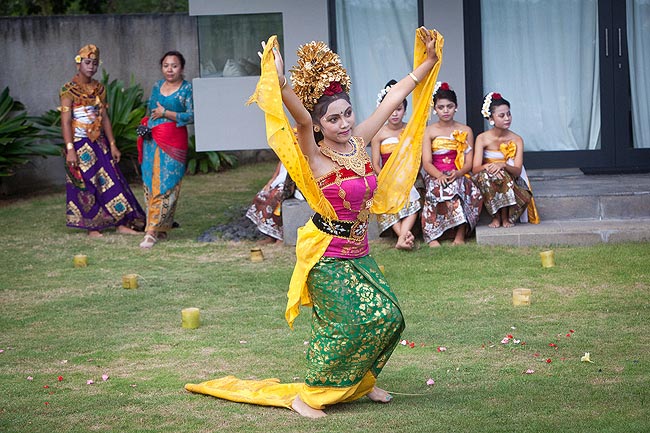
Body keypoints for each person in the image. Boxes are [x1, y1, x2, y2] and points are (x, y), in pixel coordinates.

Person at [185, 28, 444, 418]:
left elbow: (394, 97)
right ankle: (307, 397)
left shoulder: (358, 140)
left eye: (347, 114)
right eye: (333, 118)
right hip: (327, 257)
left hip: (359, 251)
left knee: (391, 319)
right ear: (321, 125)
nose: (343, 123)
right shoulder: (315, 155)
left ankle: (362, 382)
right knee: (349, 325)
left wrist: (426, 62)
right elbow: (302, 122)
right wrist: (282, 80)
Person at [60, 44, 145, 237]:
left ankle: (121, 223)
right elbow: (65, 122)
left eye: (95, 63)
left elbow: (104, 117)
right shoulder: (68, 90)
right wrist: (70, 149)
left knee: (112, 181)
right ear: (78, 64)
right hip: (80, 144)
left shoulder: (99, 88)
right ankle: (93, 227)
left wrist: (113, 144)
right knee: (87, 184)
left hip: (99, 142)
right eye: (87, 62)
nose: (91, 66)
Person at [139, 51, 194, 248]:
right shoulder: (156, 86)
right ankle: (157, 228)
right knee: (151, 183)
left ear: (182, 68)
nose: (169, 69)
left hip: (174, 141)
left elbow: (191, 115)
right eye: (166, 66)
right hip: (152, 141)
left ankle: (152, 231)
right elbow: (150, 111)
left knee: (168, 185)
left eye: (174, 65)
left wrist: (167, 113)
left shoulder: (187, 89)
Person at [420, 82, 482, 246]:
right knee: (436, 188)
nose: (445, 110)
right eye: (441, 107)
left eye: (449, 106)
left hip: (459, 173)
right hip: (436, 173)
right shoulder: (429, 131)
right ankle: (433, 236)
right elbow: (426, 162)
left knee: (459, 187)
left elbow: (469, 162)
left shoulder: (466, 130)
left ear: (456, 107)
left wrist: (459, 173)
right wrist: (439, 175)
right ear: (435, 109)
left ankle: (460, 235)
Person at [472, 92, 539, 227]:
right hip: (487, 177)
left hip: (509, 177)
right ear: (491, 118)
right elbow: (475, 168)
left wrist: (503, 165)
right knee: (489, 175)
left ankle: (506, 217)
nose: (507, 118)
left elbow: (517, 171)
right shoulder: (482, 138)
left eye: (509, 114)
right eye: (501, 115)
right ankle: (496, 216)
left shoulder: (517, 139)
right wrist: (489, 167)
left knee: (502, 175)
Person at [370, 80, 421, 250]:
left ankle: (401, 238)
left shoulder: (410, 130)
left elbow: (416, 159)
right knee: (383, 200)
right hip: (386, 178)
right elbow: (375, 163)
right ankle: (404, 237)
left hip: (408, 177)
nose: (394, 114)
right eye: (391, 110)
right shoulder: (378, 132)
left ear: (405, 110)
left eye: (398, 109)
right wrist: (384, 178)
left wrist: (408, 177)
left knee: (413, 202)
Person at [245, 161, 302, 243]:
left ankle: (280, 237)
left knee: (275, 200)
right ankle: (270, 235)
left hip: (290, 187)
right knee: (260, 196)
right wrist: (268, 185)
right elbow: (275, 176)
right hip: (278, 185)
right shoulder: (282, 161)